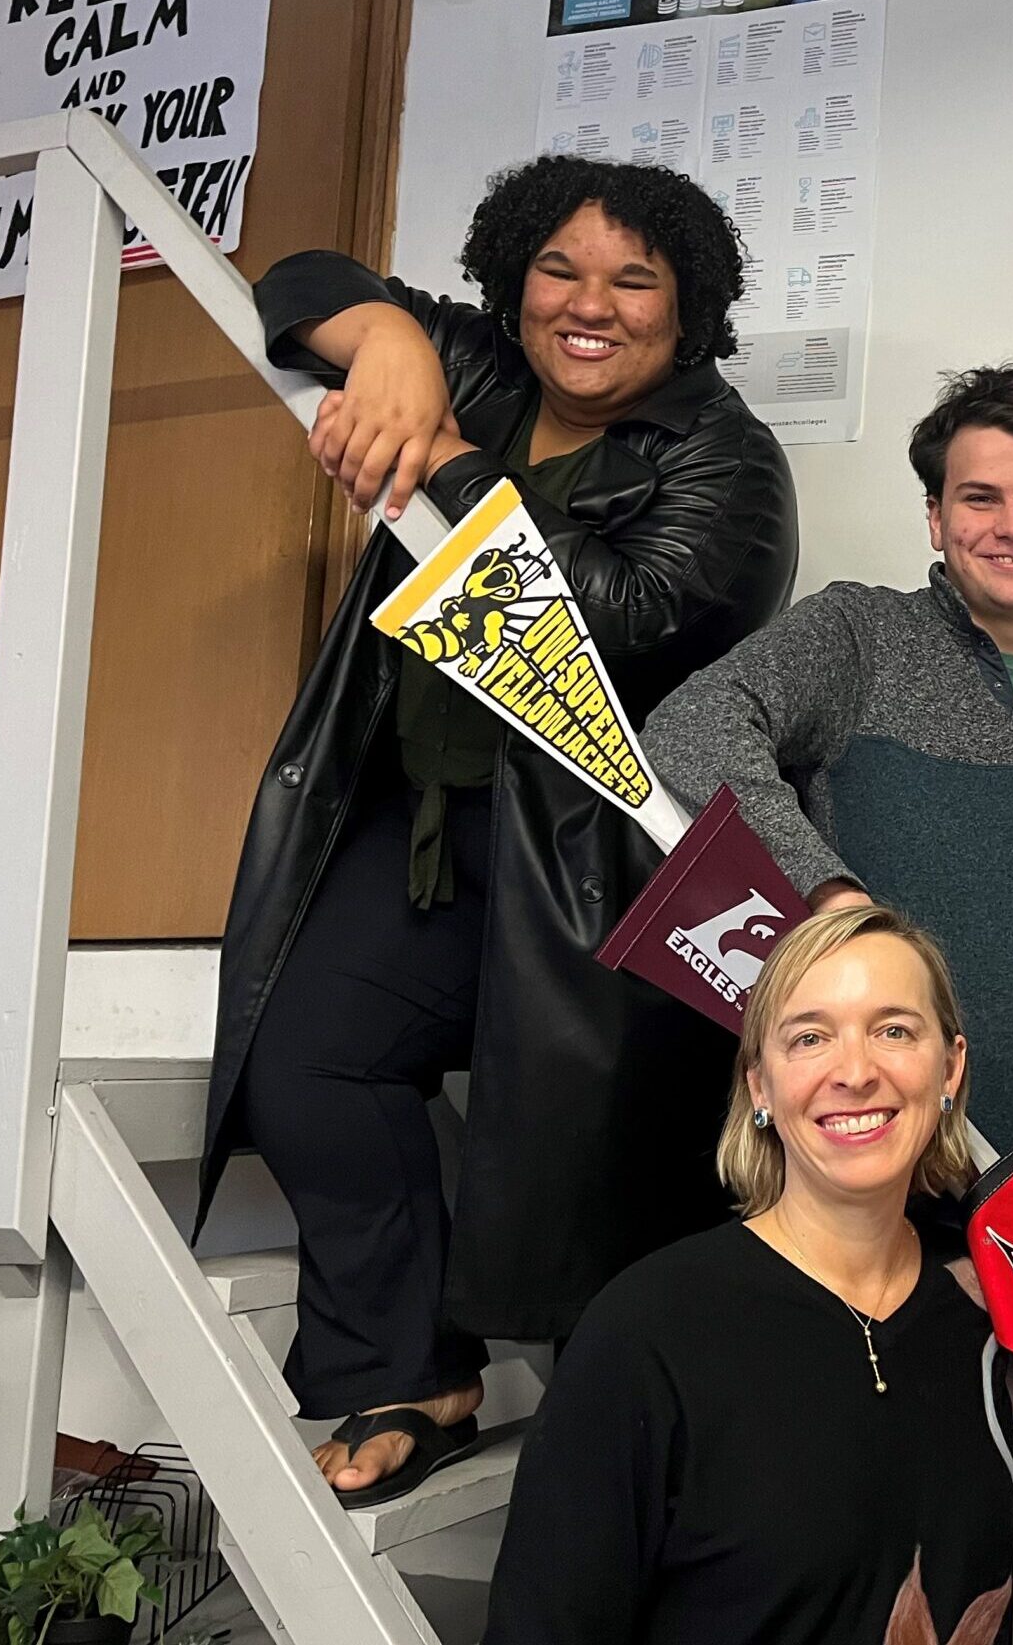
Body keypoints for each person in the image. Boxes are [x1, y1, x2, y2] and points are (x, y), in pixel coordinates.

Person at [198, 154, 798, 1505]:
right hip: (412, 830)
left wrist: (455, 461)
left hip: (591, 879)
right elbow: (295, 286)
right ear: (514, 277)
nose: (591, 305)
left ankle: (619, 1446)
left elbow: (620, 616)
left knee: (608, 1179)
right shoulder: (480, 368)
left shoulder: (733, 465)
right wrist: (397, 340)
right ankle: (407, 1363)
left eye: (634, 279)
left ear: (689, 307)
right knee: (305, 1065)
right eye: (558, 270)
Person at [645, 364, 1013, 1292]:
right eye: (979, 497)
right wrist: (827, 892)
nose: (1012, 526)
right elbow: (691, 727)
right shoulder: (860, 635)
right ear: (936, 518)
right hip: (893, 1171)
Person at [483, 905, 1013, 1645]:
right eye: (810, 1036)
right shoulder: (646, 1332)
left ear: (950, 1069)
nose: (855, 1070)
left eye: (894, 1030)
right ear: (762, 1089)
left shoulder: (1007, 1321)